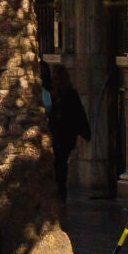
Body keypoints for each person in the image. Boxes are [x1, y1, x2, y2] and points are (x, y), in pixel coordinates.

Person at [44, 64, 91, 198]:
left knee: (60, 163)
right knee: (60, 163)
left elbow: (76, 113)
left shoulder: (67, 93)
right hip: (62, 135)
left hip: (62, 134)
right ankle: (59, 190)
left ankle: (60, 191)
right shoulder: (55, 93)